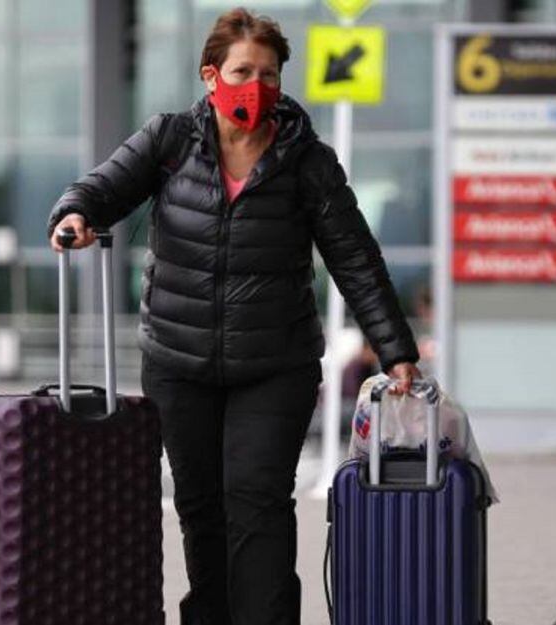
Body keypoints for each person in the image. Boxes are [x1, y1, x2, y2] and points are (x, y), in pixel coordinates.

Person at [46, 9, 421, 623]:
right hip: (178, 361)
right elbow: (101, 188)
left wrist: (395, 348)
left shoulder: (308, 162)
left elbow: (356, 259)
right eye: (243, 71)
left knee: (258, 501)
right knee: (200, 508)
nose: (257, 86)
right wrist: (75, 213)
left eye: (269, 74)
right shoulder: (169, 141)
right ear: (211, 75)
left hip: (274, 364)